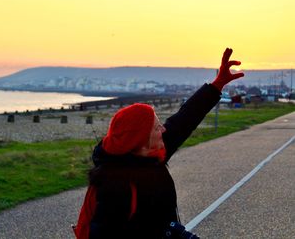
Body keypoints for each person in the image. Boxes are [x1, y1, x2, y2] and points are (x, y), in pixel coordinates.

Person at [73, 48, 244, 239]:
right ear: (141, 141)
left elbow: (184, 119)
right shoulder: (115, 185)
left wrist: (217, 84)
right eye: (156, 127)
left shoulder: (152, 154)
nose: (163, 130)